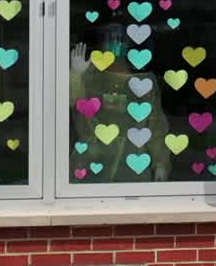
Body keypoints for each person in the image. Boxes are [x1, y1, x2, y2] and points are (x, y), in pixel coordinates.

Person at [68, 25, 172, 182]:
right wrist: (77, 76)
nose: (116, 43)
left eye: (121, 39)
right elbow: (69, 107)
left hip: (133, 168)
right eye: (110, 38)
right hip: (92, 166)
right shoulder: (89, 78)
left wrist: (160, 163)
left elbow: (155, 126)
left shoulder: (143, 82)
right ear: (100, 43)